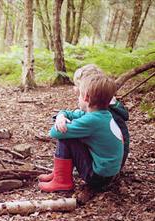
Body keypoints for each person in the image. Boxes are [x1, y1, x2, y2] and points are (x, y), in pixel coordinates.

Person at [38, 74, 124, 202]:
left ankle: (62, 181)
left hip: (98, 176)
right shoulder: (101, 114)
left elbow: (55, 133)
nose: (78, 98)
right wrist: (61, 116)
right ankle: (59, 173)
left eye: (79, 95)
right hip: (108, 173)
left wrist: (61, 124)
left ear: (86, 97)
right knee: (70, 133)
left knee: (66, 137)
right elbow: (69, 113)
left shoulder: (92, 120)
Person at [72, 64, 130, 169]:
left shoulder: (101, 110)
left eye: (79, 86)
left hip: (106, 164)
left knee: (71, 137)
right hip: (115, 160)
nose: (76, 90)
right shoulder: (107, 102)